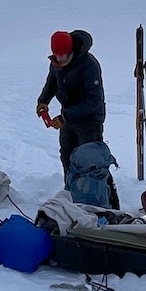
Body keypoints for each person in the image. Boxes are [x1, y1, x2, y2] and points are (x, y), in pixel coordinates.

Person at [36, 29, 105, 179]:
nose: (59, 59)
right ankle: (72, 190)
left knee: (91, 159)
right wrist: (43, 100)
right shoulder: (56, 63)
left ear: (71, 51)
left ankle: (100, 195)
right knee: (67, 155)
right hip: (68, 116)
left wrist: (65, 117)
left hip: (90, 119)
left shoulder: (88, 65)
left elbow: (95, 100)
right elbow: (52, 83)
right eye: (56, 55)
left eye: (63, 55)